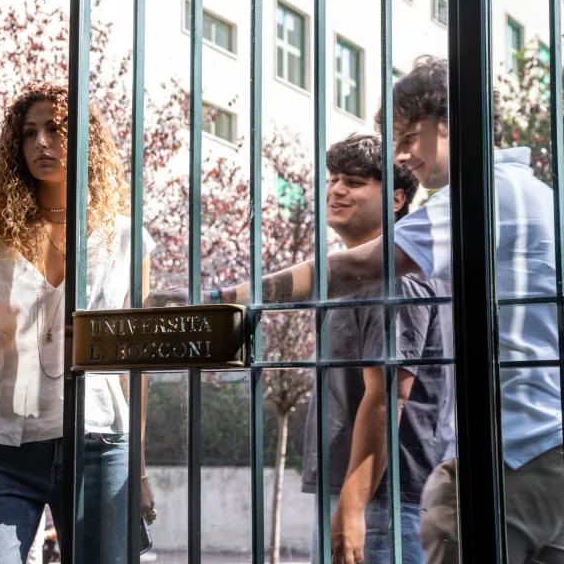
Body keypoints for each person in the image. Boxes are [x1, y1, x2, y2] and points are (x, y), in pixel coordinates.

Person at [206, 57, 563, 564]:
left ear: (453, 120)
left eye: (410, 136)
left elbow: (360, 272)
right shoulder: (537, 194)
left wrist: (228, 297)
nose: (401, 153)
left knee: (452, 523)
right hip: (540, 442)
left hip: (512, 447)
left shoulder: (482, 195)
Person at [0, 83, 156, 564]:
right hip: (4, 442)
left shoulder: (125, 239)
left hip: (100, 440)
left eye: (55, 129)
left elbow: (135, 362)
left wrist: (138, 469)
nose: (41, 142)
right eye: (29, 132)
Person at [301, 134, 454, 564]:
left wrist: (353, 508)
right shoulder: (351, 279)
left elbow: (388, 396)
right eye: (333, 179)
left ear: (396, 199)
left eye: (354, 182)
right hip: (358, 494)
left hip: (383, 500)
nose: (336, 190)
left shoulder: (396, 280)